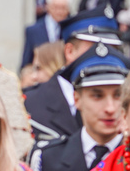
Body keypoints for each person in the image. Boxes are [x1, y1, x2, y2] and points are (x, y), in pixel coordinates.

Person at [24, 12, 122, 144]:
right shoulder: (29, 103)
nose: (105, 56)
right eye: (95, 48)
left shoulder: (127, 104)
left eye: (113, 49)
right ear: (69, 51)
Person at [20, 0, 72, 70]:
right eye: (55, 7)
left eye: (63, 8)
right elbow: (26, 63)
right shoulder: (33, 30)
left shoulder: (72, 29)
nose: (59, 12)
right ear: (47, 7)